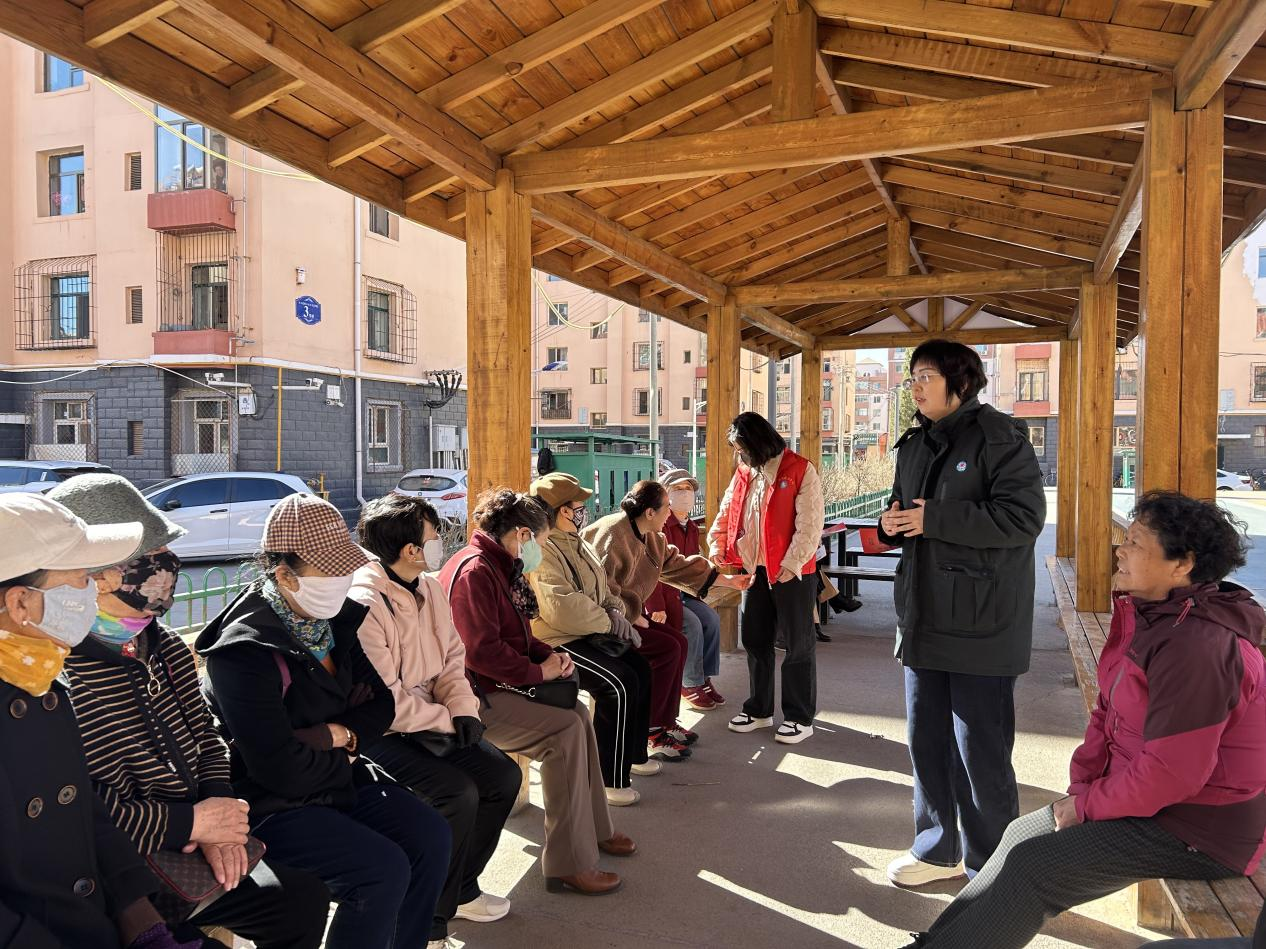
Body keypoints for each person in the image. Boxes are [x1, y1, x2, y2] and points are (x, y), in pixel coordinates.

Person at [904, 491, 1266, 949]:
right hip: (1156, 804)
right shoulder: (1155, 617)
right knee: (1018, 835)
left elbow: (1174, 773)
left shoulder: (1198, 646)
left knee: (1035, 867)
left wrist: (1088, 806)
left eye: (1135, 543)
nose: (1120, 550)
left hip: (1200, 828)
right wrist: (1083, 791)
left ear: (1182, 564)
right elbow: (1107, 714)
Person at [51, 475, 329, 949]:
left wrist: (217, 813)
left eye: (164, 551)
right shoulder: (54, 668)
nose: (165, 567)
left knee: (299, 900)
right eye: (146, 555)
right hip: (113, 865)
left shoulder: (164, 647)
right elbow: (74, 808)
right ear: (91, 574)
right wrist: (190, 823)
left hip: (194, 837)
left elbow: (206, 736)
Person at [196, 494, 452, 949]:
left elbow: (381, 706)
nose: (342, 580)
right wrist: (347, 738)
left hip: (339, 779)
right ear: (284, 575)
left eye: (346, 568)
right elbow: (278, 768)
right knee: (381, 870)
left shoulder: (333, 620)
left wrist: (334, 735)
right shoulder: (243, 651)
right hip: (273, 805)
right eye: (330, 571)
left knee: (430, 835)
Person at [0, 493, 219, 949]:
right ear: (20, 603)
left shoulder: (41, 680)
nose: (104, 584)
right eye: (83, 578)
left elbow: (84, 815)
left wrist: (142, 923)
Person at [875, 340, 1045, 888]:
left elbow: (1022, 519)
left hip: (982, 621)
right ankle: (935, 850)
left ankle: (991, 867)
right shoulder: (914, 444)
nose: (915, 387)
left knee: (980, 752)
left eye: (926, 376)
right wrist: (889, 524)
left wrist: (936, 519)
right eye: (912, 378)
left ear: (962, 383)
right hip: (922, 614)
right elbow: (904, 511)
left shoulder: (1000, 438)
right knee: (926, 742)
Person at [440, 488, 635, 896]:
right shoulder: (476, 573)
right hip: (471, 700)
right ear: (523, 534)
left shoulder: (498, 565)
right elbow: (481, 653)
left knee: (578, 716)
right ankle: (568, 863)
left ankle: (593, 829)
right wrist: (537, 672)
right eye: (542, 542)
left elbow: (519, 638)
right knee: (564, 732)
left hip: (492, 688)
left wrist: (549, 656)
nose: (541, 550)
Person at [350, 493, 521, 945]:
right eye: (433, 535)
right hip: (382, 731)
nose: (440, 541)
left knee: (502, 776)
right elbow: (385, 700)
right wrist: (446, 719)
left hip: (436, 718)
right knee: (457, 793)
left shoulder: (428, 586)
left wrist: (462, 709)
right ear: (410, 550)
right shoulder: (366, 601)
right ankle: (429, 921)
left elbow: (451, 657)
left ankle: (461, 888)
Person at [586, 481, 750, 760]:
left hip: (625, 616)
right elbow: (598, 586)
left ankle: (665, 721)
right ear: (650, 512)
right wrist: (630, 615)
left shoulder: (651, 535)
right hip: (601, 622)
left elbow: (676, 565)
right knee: (667, 648)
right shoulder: (612, 533)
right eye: (666, 508)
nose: (669, 512)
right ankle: (653, 730)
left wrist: (726, 580)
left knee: (678, 642)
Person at [528, 473, 658, 805]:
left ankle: (634, 755)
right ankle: (609, 779)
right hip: (555, 639)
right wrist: (608, 621)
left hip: (586, 630)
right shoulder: (542, 549)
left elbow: (602, 587)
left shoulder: (576, 541)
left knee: (640, 669)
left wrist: (615, 610)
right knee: (618, 683)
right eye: (577, 506)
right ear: (561, 510)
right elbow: (560, 607)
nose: (582, 511)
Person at [707, 412, 825, 745]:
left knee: (797, 645)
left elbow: (810, 524)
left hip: (793, 573)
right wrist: (716, 544)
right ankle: (759, 710)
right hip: (755, 571)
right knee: (755, 641)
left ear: (758, 443)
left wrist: (792, 562)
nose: (739, 456)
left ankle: (800, 717)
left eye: (742, 448)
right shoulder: (745, 473)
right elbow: (728, 511)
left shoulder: (800, 469)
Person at [659, 469, 725, 712]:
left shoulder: (692, 527)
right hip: (664, 595)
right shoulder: (661, 525)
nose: (684, 493)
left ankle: (704, 678)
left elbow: (694, 565)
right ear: (666, 494)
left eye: (688, 489)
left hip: (686, 592)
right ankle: (690, 683)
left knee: (711, 619)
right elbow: (656, 570)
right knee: (692, 625)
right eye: (678, 489)